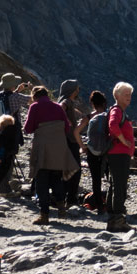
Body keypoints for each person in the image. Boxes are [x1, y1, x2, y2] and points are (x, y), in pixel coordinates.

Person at [24, 85, 78, 225]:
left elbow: (28, 129)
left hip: (43, 148)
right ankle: (61, 208)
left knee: (41, 181)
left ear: (34, 96)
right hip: (58, 148)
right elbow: (66, 127)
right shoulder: (58, 107)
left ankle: (44, 215)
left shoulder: (35, 107)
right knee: (56, 178)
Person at [0, 73, 32, 196]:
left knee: (0, 156)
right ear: (13, 85)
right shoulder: (16, 97)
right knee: (8, 159)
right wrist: (31, 89)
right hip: (12, 131)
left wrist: (17, 90)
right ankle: (5, 190)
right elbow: (32, 99)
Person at [106, 82, 135, 232]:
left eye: (130, 94)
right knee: (119, 185)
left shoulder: (120, 111)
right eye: (125, 94)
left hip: (118, 153)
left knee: (115, 184)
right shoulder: (117, 110)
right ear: (117, 95)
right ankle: (118, 219)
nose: (129, 97)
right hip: (119, 153)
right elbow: (113, 125)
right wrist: (124, 141)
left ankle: (113, 219)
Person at [75, 90, 109, 213]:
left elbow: (76, 132)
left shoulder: (89, 117)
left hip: (91, 151)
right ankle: (111, 203)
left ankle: (99, 205)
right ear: (104, 103)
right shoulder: (109, 117)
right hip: (107, 151)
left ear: (92, 104)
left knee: (96, 179)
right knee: (110, 177)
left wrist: (82, 146)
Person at [58, 79, 83, 207]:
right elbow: (61, 109)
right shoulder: (66, 101)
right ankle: (71, 198)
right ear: (72, 90)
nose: (78, 90)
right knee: (75, 169)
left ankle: (64, 197)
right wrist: (68, 121)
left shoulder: (70, 102)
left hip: (66, 140)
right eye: (77, 88)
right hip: (70, 140)